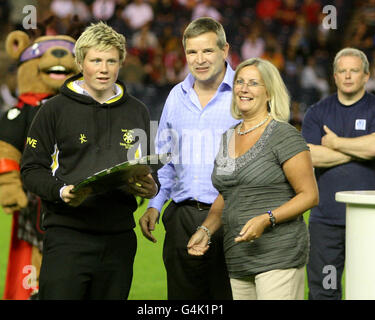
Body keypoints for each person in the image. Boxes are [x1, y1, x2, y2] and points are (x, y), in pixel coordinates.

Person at [20, 22, 157, 300]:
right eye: (96, 60)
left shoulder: (138, 111)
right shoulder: (53, 110)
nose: (104, 69)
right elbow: (31, 169)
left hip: (119, 238)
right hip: (67, 235)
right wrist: (61, 191)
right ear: (81, 62)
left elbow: (147, 167)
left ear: (121, 63)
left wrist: (148, 188)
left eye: (111, 61)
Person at [187, 57, 319, 300]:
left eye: (253, 83)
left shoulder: (284, 135)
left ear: (269, 93)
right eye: (240, 82)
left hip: (279, 255)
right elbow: (227, 193)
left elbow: (310, 195)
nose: (244, 89)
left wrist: (267, 219)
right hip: (238, 257)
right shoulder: (228, 137)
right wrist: (206, 229)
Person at [138, 17, 238, 300]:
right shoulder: (175, 97)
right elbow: (167, 162)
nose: (200, 59)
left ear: (225, 50)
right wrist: (155, 205)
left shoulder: (245, 93)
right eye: (192, 52)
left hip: (232, 217)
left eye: (207, 51)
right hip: (181, 218)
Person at [301, 47, 375, 300]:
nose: (347, 76)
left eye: (354, 71)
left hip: (371, 218)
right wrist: (358, 148)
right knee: (324, 290)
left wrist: (335, 143)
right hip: (326, 221)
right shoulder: (317, 112)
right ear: (334, 76)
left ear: (366, 76)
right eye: (342, 71)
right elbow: (309, 156)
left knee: (373, 289)